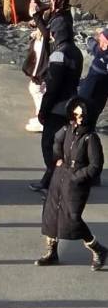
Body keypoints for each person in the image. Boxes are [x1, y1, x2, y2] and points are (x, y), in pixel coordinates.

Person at [35, 97, 106, 270]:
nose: (78, 118)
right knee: (51, 214)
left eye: (81, 115)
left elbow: (95, 166)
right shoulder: (66, 128)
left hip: (76, 185)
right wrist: (58, 158)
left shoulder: (91, 138)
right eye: (75, 114)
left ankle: (98, 249)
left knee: (72, 219)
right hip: (59, 178)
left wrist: (77, 176)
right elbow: (56, 142)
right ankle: (52, 252)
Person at [30, 16, 83, 194]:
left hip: (57, 108)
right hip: (72, 104)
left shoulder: (58, 54)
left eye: (52, 32)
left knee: (49, 146)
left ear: (56, 33)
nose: (50, 36)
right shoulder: (77, 52)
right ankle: (49, 180)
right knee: (64, 146)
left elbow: (52, 87)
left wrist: (43, 110)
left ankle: (55, 184)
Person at [21, 0, 49, 133]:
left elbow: (43, 29)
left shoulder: (45, 21)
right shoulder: (43, 23)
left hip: (42, 67)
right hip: (40, 65)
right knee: (38, 90)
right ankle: (41, 118)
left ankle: (42, 120)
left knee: (37, 90)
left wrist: (35, 14)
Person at [79, 27, 108, 125]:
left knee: (88, 123)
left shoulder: (105, 57)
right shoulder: (100, 50)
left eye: (103, 41)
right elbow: (93, 45)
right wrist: (87, 38)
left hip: (97, 97)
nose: (101, 43)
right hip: (86, 91)